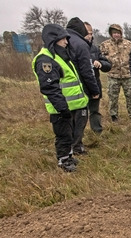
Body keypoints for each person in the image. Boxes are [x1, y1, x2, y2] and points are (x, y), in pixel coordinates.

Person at [32, 24, 89, 172]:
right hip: (60, 107)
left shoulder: (58, 56)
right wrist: (62, 108)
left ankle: (68, 156)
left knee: (68, 134)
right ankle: (63, 161)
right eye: (63, 39)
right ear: (53, 39)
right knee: (63, 135)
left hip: (67, 105)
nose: (66, 42)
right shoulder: (46, 60)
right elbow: (50, 87)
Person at [65, 17, 100, 155]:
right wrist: (94, 90)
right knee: (80, 117)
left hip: (63, 89)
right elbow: (87, 70)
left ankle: (68, 145)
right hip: (79, 88)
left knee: (67, 118)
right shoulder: (81, 44)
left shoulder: (60, 41)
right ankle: (76, 147)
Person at [99, 23, 131, 123]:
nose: (116, 35)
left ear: (121, 33)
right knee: (113, 97)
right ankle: (113, 115)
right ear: (111, 34)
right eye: (114, 33)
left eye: (118, 33)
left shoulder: (129, 44)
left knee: (130, 97)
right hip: (113, 75)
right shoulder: (105, 45)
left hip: (127, 75)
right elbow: (101, 58)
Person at [84, 22, 111, 134]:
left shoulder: (95, 48)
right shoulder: (73, 48)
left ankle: (97, 133)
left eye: (91, 33)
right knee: (81, 112)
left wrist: (100, 63)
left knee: (94, 111)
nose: (89, 36)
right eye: (87, 33)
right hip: (81, 86)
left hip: (94, 84)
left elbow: (107, 64)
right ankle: (78, 135)